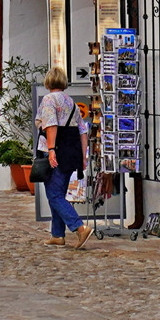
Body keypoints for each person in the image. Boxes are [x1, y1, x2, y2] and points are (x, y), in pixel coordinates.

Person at [36, 66, 89, 250]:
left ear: (48, 81)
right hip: (71, 153)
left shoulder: (49, 100)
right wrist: (83, 157)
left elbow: (50, 125)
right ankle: (57, 235)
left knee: (54, 194)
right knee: (58, 192)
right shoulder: (71, 102)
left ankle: (79, 227)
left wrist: (51, 150)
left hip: (56, 151)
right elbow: (83, 131)